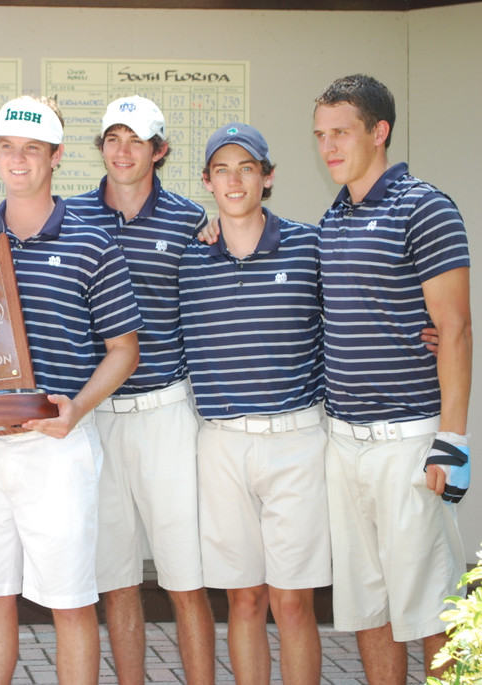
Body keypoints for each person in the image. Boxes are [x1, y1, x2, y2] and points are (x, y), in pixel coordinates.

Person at [0, 95, 142, 685]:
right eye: (7, 146)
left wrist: (77, 410)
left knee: (70, 600)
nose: (17, 159)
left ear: (56, 156)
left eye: (31, 148)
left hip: (54, 441)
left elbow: (125, 349)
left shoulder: (94, 240)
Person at [312, 74, 471, 683]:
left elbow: (454, 329)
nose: (328, 146)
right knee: (367, 608)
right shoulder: (334, 217)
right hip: (343, 440)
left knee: (430, 608)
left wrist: (451, 441)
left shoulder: (425, 206)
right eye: (320, 135)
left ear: (379, 132)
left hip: (409, 440)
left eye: (341, 133)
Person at [64, 96, 215, 685]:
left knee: (184, 578)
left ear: (161, 149)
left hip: (165, 414)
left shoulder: (191, 220)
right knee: (116, 580)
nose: (122, 150)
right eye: (112, 138)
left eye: (135, 139)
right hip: (94, 414)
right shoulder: (70, 215)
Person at [179, 123, 330, 684]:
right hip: (221, 441)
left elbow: (359, 306)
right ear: (207, 181)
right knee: (244, 600)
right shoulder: (191, 259)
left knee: (293, 601)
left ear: (267, 177)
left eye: (247, 168)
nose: (235, 179)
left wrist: (424, 332)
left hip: (297, 440)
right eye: (222, 169)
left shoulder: (309, 245)